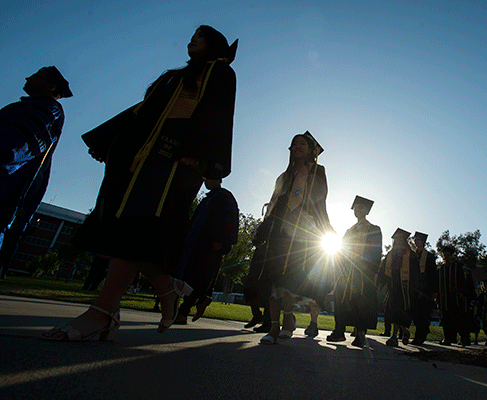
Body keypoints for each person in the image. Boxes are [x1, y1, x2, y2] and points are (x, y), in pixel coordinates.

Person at [42, 25, 238, 341]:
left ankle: (104, 310)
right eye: (191, 35)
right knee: (128, 229)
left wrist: (198, 151)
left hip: (178, 156)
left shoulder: (220, 72)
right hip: (145, 154)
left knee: (140, 229)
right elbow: (141, 112)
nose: (192, 40)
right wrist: (109, 140)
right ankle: (163, 288)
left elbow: (219, 112)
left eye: (199, 36)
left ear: (213, 45)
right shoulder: (171, 77)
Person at [255, 131, 332, 345]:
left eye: (302, 144)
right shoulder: (283, 177)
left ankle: (288, 320)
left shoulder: (317, 171)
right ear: (290, 150)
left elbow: (320, 201)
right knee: (273, 281)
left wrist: (326, 227)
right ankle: (273, 326)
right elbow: (271, 205)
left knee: (287, 279)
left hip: (301, 232)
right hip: (278, 231)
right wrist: (262, 229)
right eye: (294, 144)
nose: (298, 146)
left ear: (310, 151)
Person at [0, 66, 72, 276]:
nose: (28, 77)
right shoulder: (29, 106)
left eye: (37, 76)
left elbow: (22, 143)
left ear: (51, 86)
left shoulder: (50, 110)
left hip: (7, 180)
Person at [173, 178, 239, 324]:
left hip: (212, 245)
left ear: (218, 179)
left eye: (208, 178)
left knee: (198, 279)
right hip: (197, 244)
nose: (205, 182)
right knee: (191, 277)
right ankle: (201, 300)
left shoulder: (224, 196)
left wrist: (222, 241)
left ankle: (183, 312)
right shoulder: (208, 198)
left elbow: (231, 219)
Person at [326, 196, 382, 347]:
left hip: (363, 273)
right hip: (346, 272)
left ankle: (360, 335)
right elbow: (341, 249)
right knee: (341, 300)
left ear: (367, 211)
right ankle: (339, 331)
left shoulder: (374, 229)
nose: (358, 210)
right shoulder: (349, 231)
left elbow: (376, 252)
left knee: (361, 303)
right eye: (356, 207)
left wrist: (372, 272)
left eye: (362, 208)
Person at [379, 228, 417, 347]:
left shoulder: (410, 254)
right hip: (392, 286)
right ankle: (405, 332)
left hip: (404, 287)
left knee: (398, 311)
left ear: (405, 240)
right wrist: (381, 282)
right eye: (397, 238)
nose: (398, 240)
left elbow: (415, 273)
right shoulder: (390, 254)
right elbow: (382, 269)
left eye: (401, 238)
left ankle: (394, 337)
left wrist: (416, 288)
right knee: (393, 311)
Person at [437, 245, 470, 346]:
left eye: (448, 255)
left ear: (451, 256)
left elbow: (461, 281)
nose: (446, 257)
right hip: (444, 299)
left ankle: (463, 338)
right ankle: (448, 338)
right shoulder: (440, 269)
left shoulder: (457, 267)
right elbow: (438, 285)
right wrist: (438, 298)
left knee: (458, 319)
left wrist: (461, 292)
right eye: (444, 255)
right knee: (446, 320)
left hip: (455, 298)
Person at [410, 231, 437, 345]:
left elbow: (433, 275)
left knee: (423, 313)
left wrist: (433, 291)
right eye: (415, 240)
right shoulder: (411, 255)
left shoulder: (430, 257)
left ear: (424, 242)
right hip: (413, 287)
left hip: (425, 288)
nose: (416, 242)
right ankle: (421, 332)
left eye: (419, 240)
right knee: (415, 313)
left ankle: (420, 336)